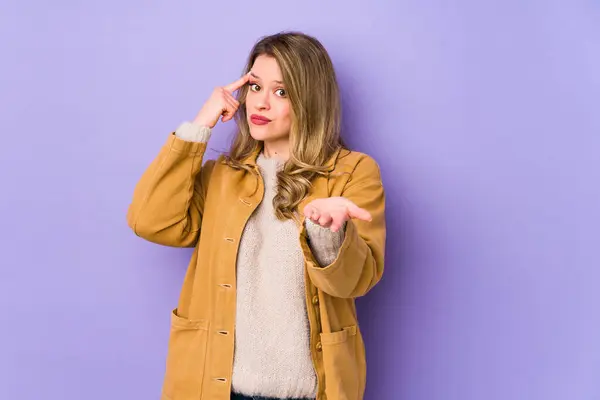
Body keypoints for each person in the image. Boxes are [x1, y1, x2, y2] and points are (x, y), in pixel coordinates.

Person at [127, 31, 386, 400]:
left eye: (281, 92)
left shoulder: (353, 173)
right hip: (215, 387)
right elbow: (150, 220)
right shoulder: (222, 175)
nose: (260, 104)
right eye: (255, 87)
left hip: (311, 391)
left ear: (310, 100)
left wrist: (328, 233)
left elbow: (354, 283)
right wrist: (200, 125)